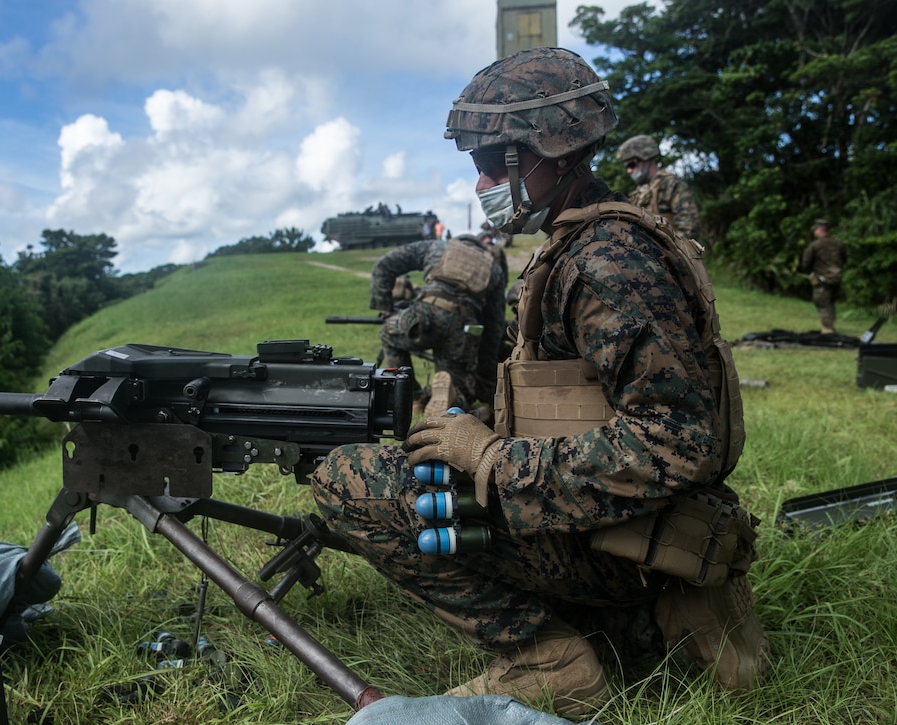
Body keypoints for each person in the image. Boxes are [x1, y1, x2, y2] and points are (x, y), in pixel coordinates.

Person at [312, 48, 769, 719]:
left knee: (347, 478)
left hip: (629, 542)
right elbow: (566, 392)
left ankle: (549, 658)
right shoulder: (583, 241)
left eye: (492, 164)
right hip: (621, 528)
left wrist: (491, 460)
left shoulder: (606, 261)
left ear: (545, 152)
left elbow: (679, 441)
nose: (481, 185)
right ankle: (627, 622)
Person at [369, 233, 506, 417]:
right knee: (459, 387)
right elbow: (493, 327)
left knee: (388, 334)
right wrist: (486, 370)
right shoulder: (493, 268)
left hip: (425, 314)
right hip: (463, 326)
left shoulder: (437, 247)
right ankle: (453, 401)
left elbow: (384, 265)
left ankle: (414, 397)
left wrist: (385, 307)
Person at [615, 134, 701, 239]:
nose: (629, 171)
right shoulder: (637, 194)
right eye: (627, 166)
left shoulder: (671, 185)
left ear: (646, 159)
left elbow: (690, 230)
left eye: (632, 165)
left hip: (671, 253)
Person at [801, 218, 847, 334]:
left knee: (822, 302)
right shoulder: (838, 244)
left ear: (820, 230)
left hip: (822, 279)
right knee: (830, 302)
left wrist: (811, 272)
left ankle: (828, 328)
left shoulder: (815, 245)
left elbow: (806, 262)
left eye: (815, 229)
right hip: (837, 278)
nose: (814, 232)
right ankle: (831, 324)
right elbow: (844, 258)